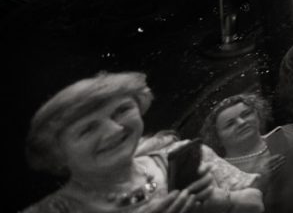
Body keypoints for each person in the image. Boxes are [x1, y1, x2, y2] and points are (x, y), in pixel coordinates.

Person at [23, 71, 264, 213]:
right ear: (56, 152)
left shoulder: (183, 157)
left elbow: (257, 202)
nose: (114, 129)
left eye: (121, 110)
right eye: (88, 128)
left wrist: (216, 202)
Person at [201, 93, 293, 213]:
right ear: (217, 137)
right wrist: (259, 182)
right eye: (230, 124)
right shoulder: (219, 174)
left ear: (258, 114)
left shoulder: (291, 134)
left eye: (246, 114)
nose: (241, 122)